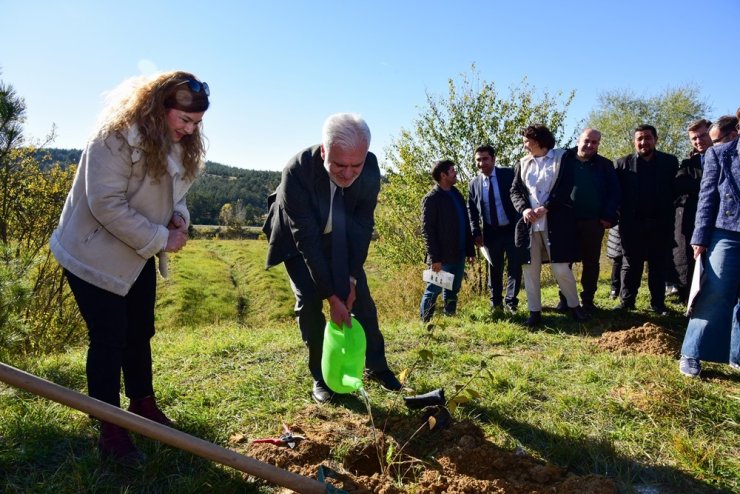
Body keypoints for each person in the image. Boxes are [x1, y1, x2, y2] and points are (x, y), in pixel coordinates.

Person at [50, 71, 210, 461]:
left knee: (140, 331)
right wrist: (161, 239)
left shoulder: (174, 143)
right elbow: (105, 204)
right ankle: (110, 427)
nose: (189, 131)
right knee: (109, 337)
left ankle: (143, 405)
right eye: (184, 120)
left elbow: (175, 194)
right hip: (92, 254)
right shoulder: (114, 137)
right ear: (158, 107)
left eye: (197, 124)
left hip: (135, 253)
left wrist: (178, 219)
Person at [263, 113, 402, 403]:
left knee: (361, 298)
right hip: (298, 241)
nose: (349, 174)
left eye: (356, 165)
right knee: (310, 302)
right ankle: (322, 377)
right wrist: (332, 297)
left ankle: (376, 366)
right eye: (339, 165)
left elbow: (363, 226)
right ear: (324, 151)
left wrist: (351, 277)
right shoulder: (297, 171)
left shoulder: (371, 168)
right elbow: (307, 240)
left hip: (341, 236)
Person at [679, 111, 740, 377]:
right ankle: (692, 351)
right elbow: (707, 197)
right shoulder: (721, 153)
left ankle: (736, 355)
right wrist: (699, 237)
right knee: (715, 290)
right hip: (725, 231)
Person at [510, 124, 589, 327]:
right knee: (530, 269)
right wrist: (525, 209)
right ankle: (534, 313)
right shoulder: (522, 163)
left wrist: (546, 207)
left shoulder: (562, 158)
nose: (525, 145)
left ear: (539, 141)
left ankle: (574, 307)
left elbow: (566, 187)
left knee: (561, 268)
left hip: (556, 222)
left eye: (527, 141)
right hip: (529, 225)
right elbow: (515, 191)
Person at [614, 125, 679, 314]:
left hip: (661, 223)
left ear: (656, 139)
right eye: (640, 139)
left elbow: (675, 189)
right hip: (631, 224)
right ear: (634, 141)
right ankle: (626, 302)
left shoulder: (670, 162)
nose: (644, 142)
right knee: (630, 264)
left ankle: (657, 304)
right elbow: (616, 194)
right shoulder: (621, 164)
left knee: (658, 264)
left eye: (648, 138)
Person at [556, 129, 619, 312]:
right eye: (586, 141)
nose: (590, 145)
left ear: (598, 144)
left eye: (594, 142)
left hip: (593, 221)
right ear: (578, 140)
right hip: (566, 221)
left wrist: (608, 216)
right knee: (565, 262)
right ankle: (565, 299)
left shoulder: (605, 165)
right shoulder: (564, 160)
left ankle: (588, 300)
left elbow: (614, 192)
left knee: (591, 262)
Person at [467, 145, 521, 314]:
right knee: (494, 268)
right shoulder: (474, 184)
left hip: (512, 230)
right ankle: (495, 303)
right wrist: (476, 232)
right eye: (478, 160)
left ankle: (511, 302)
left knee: (514, 267)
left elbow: (520, 196)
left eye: (485, 159)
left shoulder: (508, 174)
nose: (481, 163)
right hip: (491, 233)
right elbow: (472, 210)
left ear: (493, 159)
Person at [420, 160, 476, 321]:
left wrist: (470, 250)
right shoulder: (431, 199)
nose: (455, 173)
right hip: (441, 257)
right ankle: (425, 322)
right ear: (443, 175)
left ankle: (450, 317)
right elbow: (427, 230)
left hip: (459, 253)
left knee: (452, 288)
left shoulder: (456, 193)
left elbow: (465, 222)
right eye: (452, 171)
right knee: (433, 290)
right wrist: (435, 258)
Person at [671, 119, 713, 303]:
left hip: (723, 222)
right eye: (694, 138)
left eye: (702, 135)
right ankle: (689, 300)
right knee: (688, 262)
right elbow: (678, 185)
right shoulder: (688, 163)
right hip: (693, 222)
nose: (698, 141)